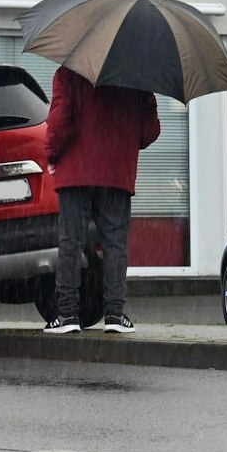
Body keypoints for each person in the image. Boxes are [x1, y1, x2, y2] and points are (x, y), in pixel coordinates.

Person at [43, 66, 160, 335]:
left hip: (76, 172)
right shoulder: (137, 77)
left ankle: (68, 314)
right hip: (117, 174)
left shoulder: (69, 73)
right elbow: (149, 132)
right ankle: (115, 315)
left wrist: (51, 154)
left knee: (70, 242)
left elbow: (61, 122)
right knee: (115, 244)